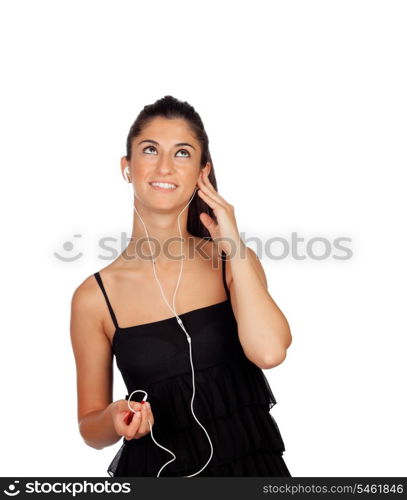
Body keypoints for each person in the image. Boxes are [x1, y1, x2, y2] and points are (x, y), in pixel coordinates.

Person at [70, 95, 292, 477]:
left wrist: (233, 243)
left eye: (183, 153)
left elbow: (270, 352)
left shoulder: (230, 261)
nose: (165, 167)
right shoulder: (93, 298)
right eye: (150, 150)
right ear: (127, 167)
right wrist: (114, 416)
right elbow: (91, 428)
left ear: (203, 172)